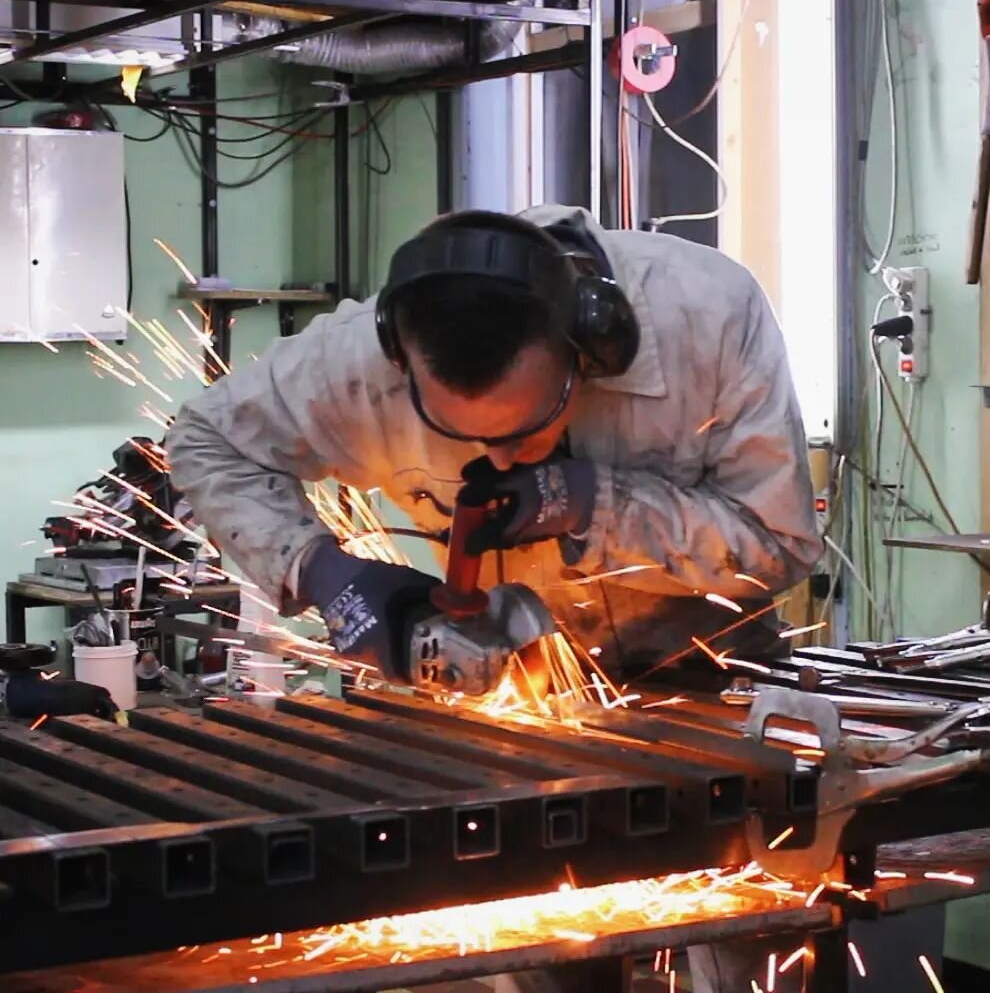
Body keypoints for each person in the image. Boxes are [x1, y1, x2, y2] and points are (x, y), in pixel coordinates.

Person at [166, 205, 822, 992]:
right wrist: (323, 573)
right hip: (519, 710)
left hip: (706, 678)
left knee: (746, 939)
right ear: (400, 367)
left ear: (591, 343)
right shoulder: (354, 363)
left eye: (530, 426)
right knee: (546, 941)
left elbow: (781, 545)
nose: (501, 456)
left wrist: (595, 503)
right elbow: (205, 438)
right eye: (469, 439)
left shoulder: (706, 314)